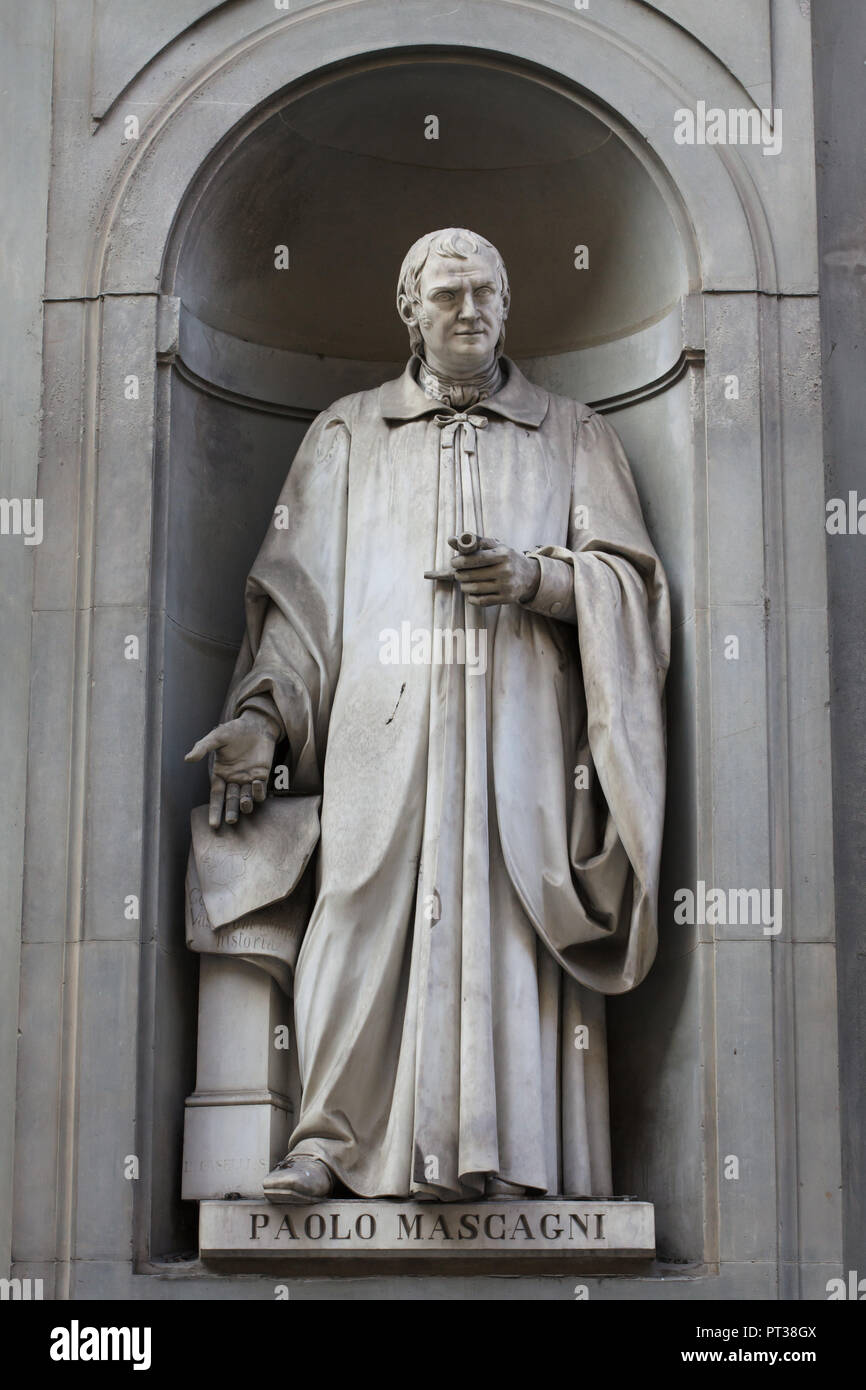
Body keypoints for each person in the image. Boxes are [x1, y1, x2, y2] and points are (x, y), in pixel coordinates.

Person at [186, 228, 670, 1203]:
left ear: (508, 305)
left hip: (519, 731)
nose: (468, 310)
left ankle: (507, 1153)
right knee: (357, 906)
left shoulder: (571, 432)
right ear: (408, 310)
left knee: (504, 915)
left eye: (485, 292)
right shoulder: (347, 434)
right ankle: (326, 1142)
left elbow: (632, 586)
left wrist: (535, 578)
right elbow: (299, 605)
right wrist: (262, 721)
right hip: (381, 725)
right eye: (446, 294)